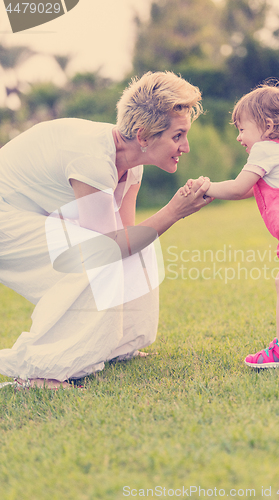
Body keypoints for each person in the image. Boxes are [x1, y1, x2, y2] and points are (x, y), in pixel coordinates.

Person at [0, 71, 211, 389]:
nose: (186, 147)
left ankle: (119, 345)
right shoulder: (93, 158)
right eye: (178, 136)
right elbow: (107, 249)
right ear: (143, 136)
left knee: (142, 243)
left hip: (30, 212)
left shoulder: (131, 164)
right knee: (97, 257)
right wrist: (174, 212)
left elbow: (127, 236)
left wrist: (169, 215)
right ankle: (39, 372)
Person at [186, 81, 279, 369]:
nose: (239, 137)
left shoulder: (265, 149)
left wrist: (208, 187)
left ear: (266, 124)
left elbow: (240, 189)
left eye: (242, 128)